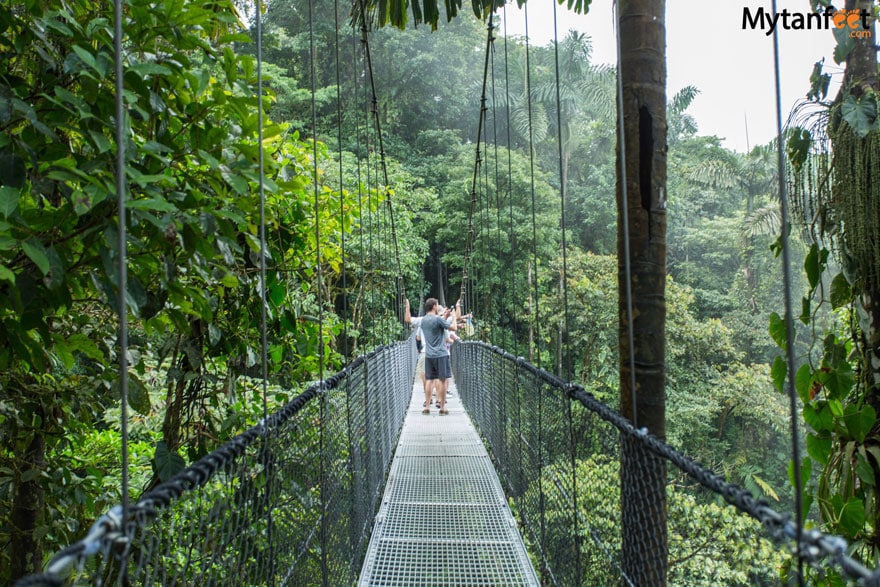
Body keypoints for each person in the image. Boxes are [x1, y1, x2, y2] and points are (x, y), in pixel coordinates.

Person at [415, 297, 457, 414]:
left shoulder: (423, 320)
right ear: (434, 306)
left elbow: (435, 324)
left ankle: (427, 406)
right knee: (442, 380)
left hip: (428, 354)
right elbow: (453, 327)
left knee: (429, 380)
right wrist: (453, 317)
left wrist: (444, 317)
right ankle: (442, 407)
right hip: (441, 354)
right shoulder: (438, 320)